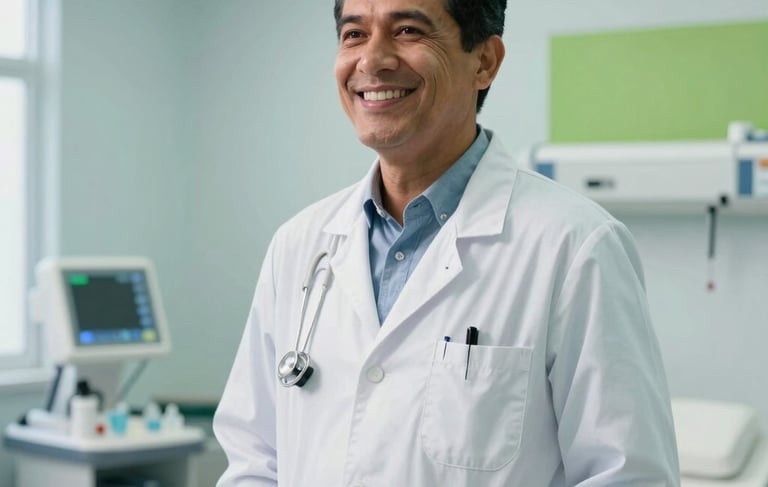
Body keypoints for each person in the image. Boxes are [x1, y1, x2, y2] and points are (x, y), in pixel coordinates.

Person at [213, 0, 680, 485]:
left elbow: (626, 475)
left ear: (485, 61)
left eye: (408, 29)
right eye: (354, 34)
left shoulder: (575, 246)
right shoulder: (299, 246)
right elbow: (253, 458)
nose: (372, 60)